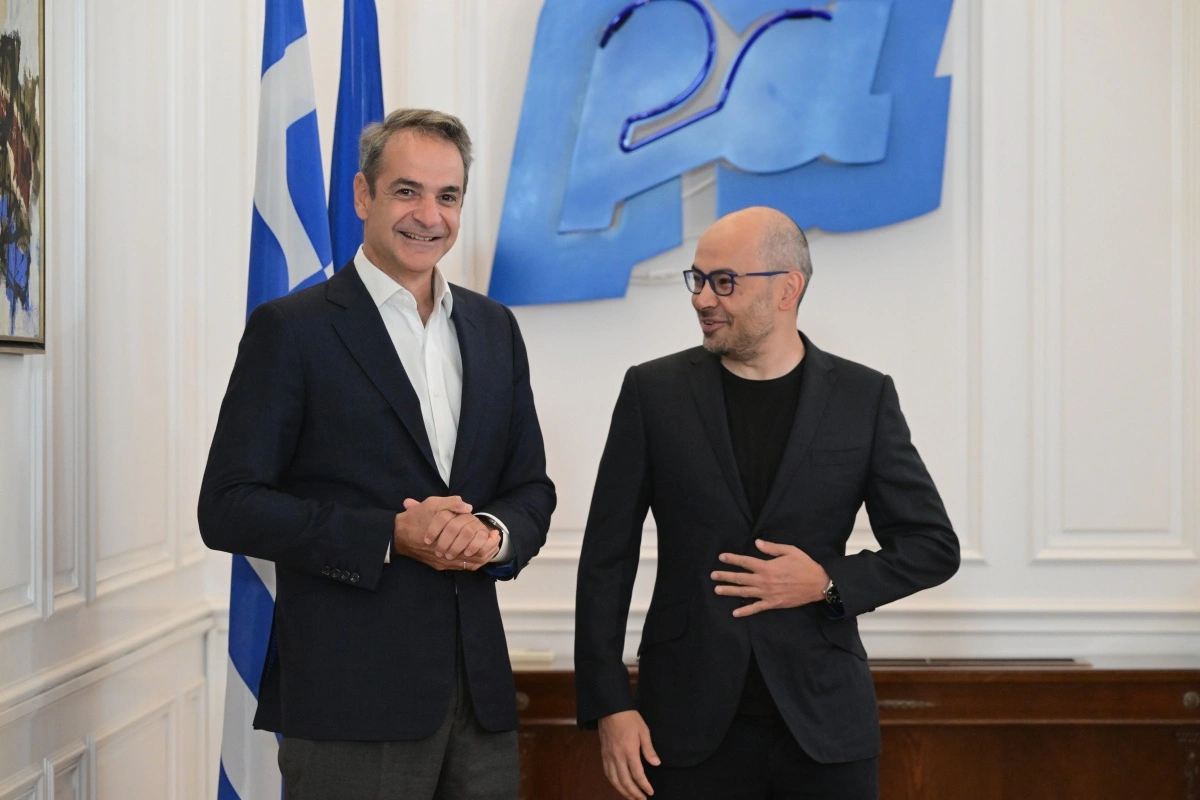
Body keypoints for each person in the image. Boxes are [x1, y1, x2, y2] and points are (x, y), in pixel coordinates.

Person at [198, 108, 555, 800]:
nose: (429, 216)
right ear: (363, 195)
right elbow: (228, 507)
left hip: (480, 703)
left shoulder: (494, 327)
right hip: (349, 705)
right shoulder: (291, 330)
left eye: (448, 196)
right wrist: (389, 535)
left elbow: (531, 488)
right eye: (406, 191)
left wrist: (493, 534)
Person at [574, 207, 959, 800]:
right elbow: (607, 558)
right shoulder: (653, 392)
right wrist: (610, 706)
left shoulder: (863, 396)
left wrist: (827, 582)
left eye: (724, 281)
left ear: (787, 289)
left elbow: (931, 546)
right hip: (683, 724)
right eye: (697, 279)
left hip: (825, 725)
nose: (703, 298)